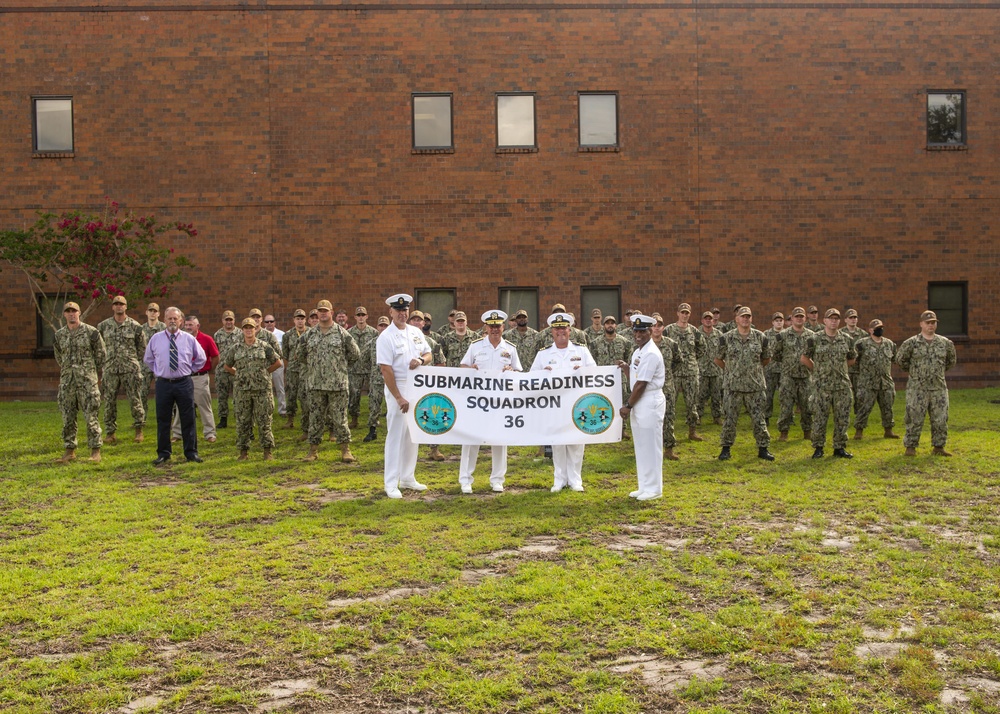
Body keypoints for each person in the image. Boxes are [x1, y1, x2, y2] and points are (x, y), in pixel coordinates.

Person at [457, 310, 523, 494]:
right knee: (471, 440)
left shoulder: (510, 348)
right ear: (486, 327)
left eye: (498, 326)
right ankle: (466, 480)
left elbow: (519, 372)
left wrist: (512, 370)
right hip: (477, 401)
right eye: (491, 326)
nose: (495, 329)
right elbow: (463, 367)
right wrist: (470, 368)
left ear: (503, 327)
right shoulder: (476, 346)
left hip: (500, 403)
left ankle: (497, 480)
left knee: (500, 439)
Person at [530, 312, 597, 492]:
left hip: (577, 404)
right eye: (557, 328)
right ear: (552, 331)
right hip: (554, 405)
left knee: (576, 442)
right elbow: (531, 377)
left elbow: (595, 372)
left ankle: (575, 479)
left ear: (570, 329)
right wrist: (543, 372)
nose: (561, 331)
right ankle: (559, 479)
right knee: (557, 441)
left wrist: (582, 370)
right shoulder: (543, 354)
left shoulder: (581, 350)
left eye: (564, 328)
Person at [377, 293, 433, 498]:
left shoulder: (415, 332)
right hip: (397, 387)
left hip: (416, 387)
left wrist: (421, 360)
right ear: (390, 312)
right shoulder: (386, 337)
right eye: (398, 310)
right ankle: (391, 483)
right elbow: (386, 370)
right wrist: (399, 397)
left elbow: (428, 354)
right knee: (396, 435)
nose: (402, 313)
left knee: (413, 434)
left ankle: (408, 477)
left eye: (405, 310)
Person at [300, 299, 361, 463]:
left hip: (338, 384)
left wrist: (338, 367)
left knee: (340, 419)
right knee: (315, 419)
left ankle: (345, 450)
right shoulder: (309, 335)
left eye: (326, 310)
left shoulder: (342, 333)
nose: (323, 313)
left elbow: (355, 354)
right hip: (316, 384)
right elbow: (300, 355)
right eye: (320, 311)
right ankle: (312, 451)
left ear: (331, 312)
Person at [144, 307, 207, 465]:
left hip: (184, 383)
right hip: (164, 384)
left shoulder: (189, 339)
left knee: (188, 418)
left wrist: (189, 370)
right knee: (163, 419)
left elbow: (201, 358)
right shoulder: (156, 339)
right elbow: (148, 359)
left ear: (181, 321)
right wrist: (159, 371)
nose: (172, 321)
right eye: (169, 318)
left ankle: (191, 452)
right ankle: (164, 453)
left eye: (175, 319)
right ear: (164, 320)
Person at [715, 306, 774, 461]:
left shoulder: (760, 337)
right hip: (732, 386)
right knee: (729, 419)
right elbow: (718, 359)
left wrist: (753, 371)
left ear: (751, 319)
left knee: (758, 419)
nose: (745, 319)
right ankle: (726, 449)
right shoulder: (726, 338)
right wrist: (731, 371)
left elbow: (766, 358)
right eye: (743, 316)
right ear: (737, 319)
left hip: (755, 386)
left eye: (748, 316)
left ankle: (763, 448)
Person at [895, 310, 957, 456]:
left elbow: (950, 362)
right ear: (921, 324)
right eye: (928, 323)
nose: (931, 325)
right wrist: (916, 373)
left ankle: (939, 447)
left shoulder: (945, 343)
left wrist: (936, 373)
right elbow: (900, 360)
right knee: (914, 417)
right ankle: (910, 447)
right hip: (917, 388)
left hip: (938, 388)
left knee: (940, 418)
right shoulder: (911, 343)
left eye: (933, 322)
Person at [618, 315, 666, 500]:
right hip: (639, 400)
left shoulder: (651, 353)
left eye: (642, 331)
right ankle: (644, 485)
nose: (638, 334)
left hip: (648, 400)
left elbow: (641, 384)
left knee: (651, 446)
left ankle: (654, 489)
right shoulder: (638, 351)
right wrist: (626, 369)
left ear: (650, 331)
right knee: (641, 445)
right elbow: (635, 378)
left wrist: (628, 405)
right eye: (636, 331)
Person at [53, 301, 107, 463]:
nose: (71, 314)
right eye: (68, 311)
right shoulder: (59, 335)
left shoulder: (91, 333)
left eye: (74, 311)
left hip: (87, 383)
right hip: (67, 382)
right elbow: (59, 357)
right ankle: (70, 450)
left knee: (91, 416)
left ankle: (95, 451)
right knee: (68, 417)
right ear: (64, 314)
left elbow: (101, 356)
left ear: (79, 313)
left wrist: (88, 372)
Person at [801, 308, 856, 459]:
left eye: (836, 318)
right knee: (819, 417)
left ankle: (839, 447)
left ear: (839, 321)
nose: (833, 321)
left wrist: (840, 369)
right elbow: (804, 358)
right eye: (830, 318)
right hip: (821, 386)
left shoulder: (847, 339)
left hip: (842, 385)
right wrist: (817, 371)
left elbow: (852, 359)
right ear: (824, 321)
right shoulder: (814, 339)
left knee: (842, 417)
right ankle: (818, 447)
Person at [224, 318, 282, 460]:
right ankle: (243, 452)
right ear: (242, 330)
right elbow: (226, 366)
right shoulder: (236, 348)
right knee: (243, 421)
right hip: (242, 391)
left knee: (264, 421)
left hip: (262, 390)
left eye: (251, 327)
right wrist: (239, 374)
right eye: (246, 328)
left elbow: (278, 362)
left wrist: (265, 372)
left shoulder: (264, 346)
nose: (249, 330)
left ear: (256, 329)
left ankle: (267, 451)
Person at [97, 295, 147, 445]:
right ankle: (110, 432)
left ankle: (139, 430)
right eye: (116, 304)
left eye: (122, 304)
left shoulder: (135, 326)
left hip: (130, 369)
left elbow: (142, 348)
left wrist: (131, 360)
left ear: (126, 307)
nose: (119, 306)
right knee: (109, 401)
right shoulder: (103, 326)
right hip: (110, 368)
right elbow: (99, 347)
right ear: (112, 307)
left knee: (135, 399)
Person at [170, 316, 219, 443]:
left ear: (198, 326)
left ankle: (209, 433)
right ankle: (177, 433)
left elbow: (215, 357)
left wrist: (207, 370)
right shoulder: (179, 339)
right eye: (186, 325)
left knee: (204, 405)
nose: (188, 327)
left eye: (191, 325)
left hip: (199, 377)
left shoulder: (206, 339)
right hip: (183, 377)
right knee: (180, 406)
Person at [664, 303, 706, 442]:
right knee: (670, 404)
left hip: (690, 372)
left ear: (690, 314)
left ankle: (692, 431)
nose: (685, 315)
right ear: (678, 313)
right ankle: (668, 433)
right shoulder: (668, 330)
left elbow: (702, 348)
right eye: (682, 312)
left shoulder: (694, 331)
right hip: (673, 373)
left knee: (692, 403)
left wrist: (691, 360)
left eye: (687, 313)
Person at [853, 318, 899, 440]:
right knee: (864, 407)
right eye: (877, 328)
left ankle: (888, 430)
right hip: (867, 383)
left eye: (881, 328)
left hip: (885, 382)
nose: (880, 330)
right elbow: (854, 361)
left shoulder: (889, 344)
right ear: (870, 330)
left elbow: (895, 359)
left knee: (887, 407)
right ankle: (859, 431)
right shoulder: (861, 344)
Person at [772, 307, 813, 441]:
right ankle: (784, 432)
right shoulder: (782, 335)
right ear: (792, 319)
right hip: (788, 376)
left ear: (805, 318)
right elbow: (776, 354)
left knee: (807, 406)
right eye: (797, 316)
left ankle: (807, 431)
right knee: (786, 405)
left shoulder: (812, 336)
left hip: (805, 376)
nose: (799, 318)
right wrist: (788, 364)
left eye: (801, 316)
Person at [650, 314, 682, 460]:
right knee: (648, 419)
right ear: (650, 327)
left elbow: (678, 361)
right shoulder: (644, 344)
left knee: (668, 417)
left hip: (667, 387)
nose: (657, 328)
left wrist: (667, 375)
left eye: (659, 325)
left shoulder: (671, 344)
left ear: (663, 327)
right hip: (648, 389)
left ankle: (668, 449)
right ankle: (649, 450)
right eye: (654, 325)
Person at [347, 306, 379, 429]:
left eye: (363, 315)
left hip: (370, 369)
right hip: (354, 369)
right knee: (354, 395)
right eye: (358, 315)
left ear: (367, 316)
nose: (361, 317)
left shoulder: (373, 332)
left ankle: (373, 419)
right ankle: (354, 419)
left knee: (373, 395)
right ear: (355, 317)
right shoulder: (349, 333)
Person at [363, 315, 391, 443]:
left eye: (386, 325)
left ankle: (394, 431)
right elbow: (364, 360)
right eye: (381, 325)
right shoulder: (372, 343)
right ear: (377, 327)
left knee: (394, 406)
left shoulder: (394, 341)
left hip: (392, 379)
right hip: (376, 380)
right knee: (374, 405)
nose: (383, 328)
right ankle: (372, 430)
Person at [281, 309, 310, 433]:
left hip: (306, 369)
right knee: (292, 395)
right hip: (293, 370)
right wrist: (290, 367)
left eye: (302, 318)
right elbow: (285, 354)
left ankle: (307, 419)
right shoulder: (287, 335)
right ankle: (290, 419)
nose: (300, 321)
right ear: (294, 320)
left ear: (305, 320)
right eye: (297, 318)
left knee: (305, 395)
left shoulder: (311, 332)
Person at [213, 310, 241, 429]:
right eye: (226, 319)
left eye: (231, 319)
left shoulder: (240, 333)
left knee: (238, 396)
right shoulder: (217, 334)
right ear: (222, 321)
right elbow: (216, 352)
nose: (229, 322)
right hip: (221, 370)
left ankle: (239, 418)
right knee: (222, 396)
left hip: (236, 369)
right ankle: (223, 419)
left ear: (234, 320)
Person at [696, 310, 723, 425]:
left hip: (716, 370)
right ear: (702, 320)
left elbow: (723, 351)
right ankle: (698, 417)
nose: (708, 320)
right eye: (706, 318)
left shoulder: (719, 335)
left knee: (717, 396)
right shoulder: (696, 333)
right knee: (700, 395)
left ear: (713, 321)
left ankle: (717, 417)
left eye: (710, 318)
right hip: (701, 370)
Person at [140, 303, 166, 420]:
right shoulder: (140, 329)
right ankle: (141, 418)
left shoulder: (164, 328)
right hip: (144, 365)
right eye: (150, 310)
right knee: (142, 393)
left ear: (159, 313)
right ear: (146, 312)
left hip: (160, 365)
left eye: (155, 311)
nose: (152, 313)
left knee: (162, 393)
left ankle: (164, 417)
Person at [763, 312, 785, 423]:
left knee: (785, 395)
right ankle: (766, 416)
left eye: (781, 320)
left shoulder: (787, 334)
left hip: (784, 369)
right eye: (777, 320)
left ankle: (786, 417)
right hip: (770, 369)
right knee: (768, 395)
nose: (779, 322)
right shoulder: (766, 334)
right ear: (773, 322)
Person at [263, 314, 286, 416]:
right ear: (264, 323)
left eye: (271, 321)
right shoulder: (260, 334)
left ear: (275, 323)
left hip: (277, 364)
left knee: (279, 387)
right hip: (265, 365)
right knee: (264, 389)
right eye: (267, 322)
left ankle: (282, 410)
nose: (269, 324)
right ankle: (266, 410)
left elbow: (284, 350)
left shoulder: (282, 334)